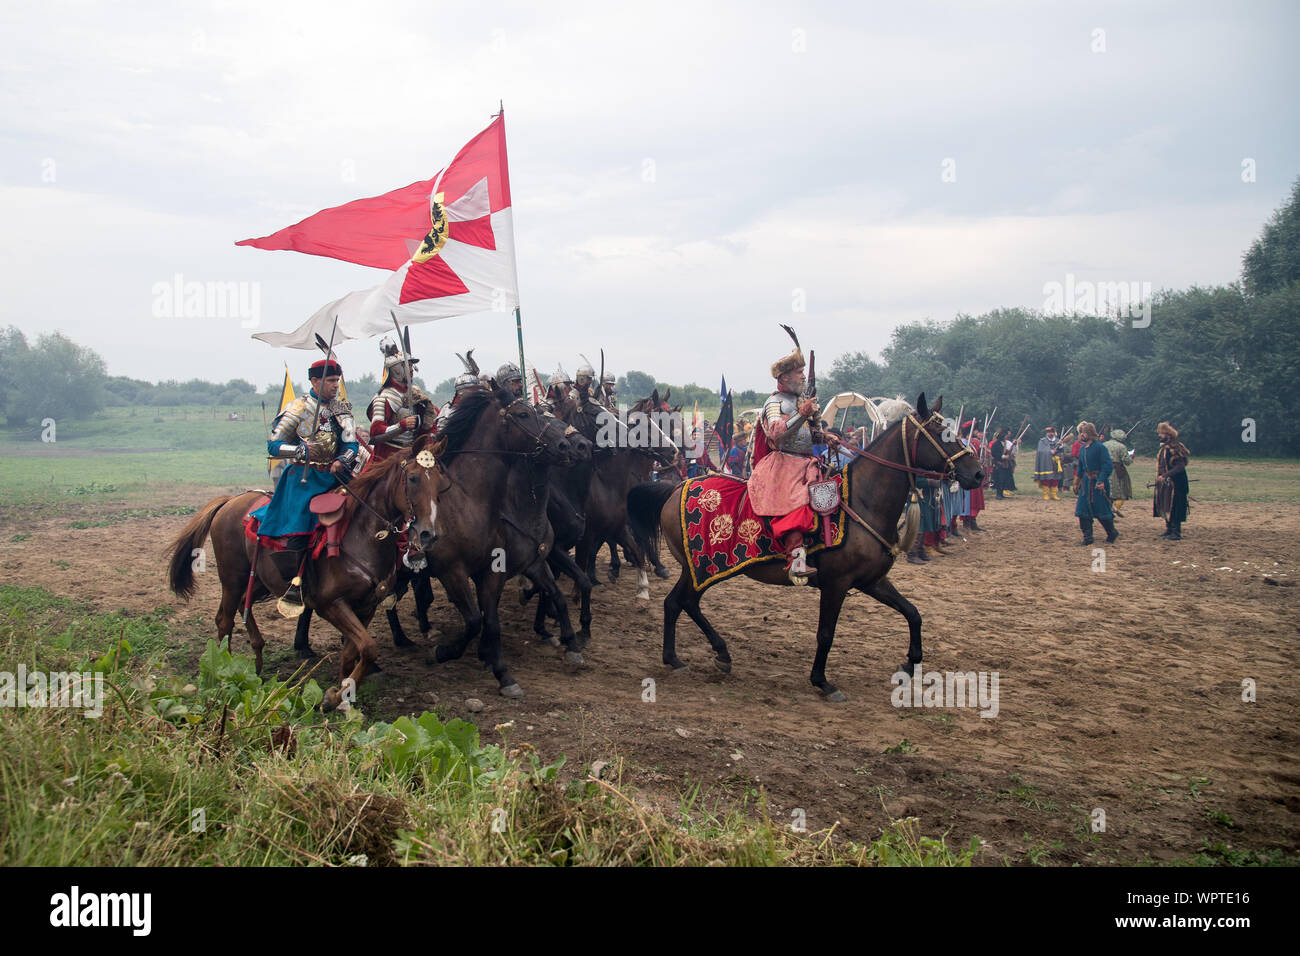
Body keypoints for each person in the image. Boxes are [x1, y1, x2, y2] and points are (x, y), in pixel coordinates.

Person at [250, 358, 361, 609]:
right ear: (315, 381)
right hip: (303, 478)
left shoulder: (341, 409)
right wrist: (301, 450)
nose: (335, 385)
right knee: (300, 526)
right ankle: (295, 583)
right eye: (331, 381)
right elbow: (274, 445)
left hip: (335, 475)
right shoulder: (298, 407)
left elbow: (351, 442)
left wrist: (343, 459)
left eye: (337, 380)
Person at [748, 330, 835, 583]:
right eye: (799, 372)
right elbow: (777, 435)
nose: (802, 376)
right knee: (798, 503)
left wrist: (824, 437)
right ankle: (795, 561)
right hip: (783, 465)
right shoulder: (774, 403)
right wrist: (804, 413)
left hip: (805, 462)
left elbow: (803, 436)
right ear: (785, 377)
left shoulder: (798, 400)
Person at [368, 335, 436, 463]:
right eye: (407, 366)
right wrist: (401, 426)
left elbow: (430, 420)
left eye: (411, 366)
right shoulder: (383, 397)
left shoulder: (416, 393)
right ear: (396, 369)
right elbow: (375, 434)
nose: (411, 370)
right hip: (387, 457)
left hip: (414, 454)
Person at [1074, 421, 1118, 546]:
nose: (1081, 435)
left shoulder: (1100, 447)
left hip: (1098, 482)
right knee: (1082, 510)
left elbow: (1107, 466)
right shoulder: (1083, 448)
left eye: (1083, 432)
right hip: (1086, 483)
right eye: (1081, 432)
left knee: (1101, 510)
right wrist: (1077, 481)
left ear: (1088, 433)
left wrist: (1101, 480)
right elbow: (1081, 467)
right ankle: (1088, 538)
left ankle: (1112, 532)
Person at [1153, 421, 1190, 540]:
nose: (1160, 436)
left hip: (1177, 482)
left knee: (1176, 506)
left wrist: (1166, 475)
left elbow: (1180, 466)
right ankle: (1169, 529)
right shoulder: (1164, 448)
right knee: (1166, 504)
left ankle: (1176, 531)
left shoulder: (1175, 447)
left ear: (1168, 434)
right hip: (1168, 483)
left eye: (1162, 433)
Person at [1103, 428, 1135, 514]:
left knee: (1106, 491)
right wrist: (1131, 458)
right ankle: (1111, 511)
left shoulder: (1104, 444)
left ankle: (1107, 510)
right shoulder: (1122, 447)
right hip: (1116, 471)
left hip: (1104, 469)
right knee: (1118, 492)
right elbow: (1127, 461)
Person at [1033, 426, 1064, 499]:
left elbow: (1061, 451)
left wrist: (1060, 445)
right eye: (1049, 432)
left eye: (1051, 432)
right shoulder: (1042, 441)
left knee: (1055, 478)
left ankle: (1054, 494)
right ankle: (1046, 494)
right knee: (1046, 478)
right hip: (1046, 462)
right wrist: (1050, 452)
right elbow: (1040, 451)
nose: (1050, 433)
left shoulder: (1058, 440)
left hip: (1056, 462)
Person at [991, 428, 1014, 498]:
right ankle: (998, 494)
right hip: (998, 463)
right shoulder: (996, 444)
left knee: (1004, 479)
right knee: (999, 480)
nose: (1006, 437)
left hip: (1005, 464)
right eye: (1005, 435)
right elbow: (994, 453)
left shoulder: (1006, 443)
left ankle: (1001, 494)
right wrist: (1003, 456)